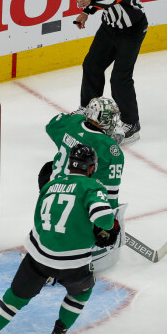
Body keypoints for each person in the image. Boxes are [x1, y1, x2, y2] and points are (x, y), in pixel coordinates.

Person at [0, 144, 119, 334]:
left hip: (39, 255)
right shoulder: (92, 187)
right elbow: (104, 220)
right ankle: (59, 333)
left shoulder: (52, 185)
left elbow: (40, 217)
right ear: (90, 168)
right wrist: (109, 227)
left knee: (14, 298)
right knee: (81, 292)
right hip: (72, 262)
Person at [74, 0, 147, 144]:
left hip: (132, 31)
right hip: (109, 28)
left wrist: (91, 0)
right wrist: (87, 12)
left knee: (120, 78)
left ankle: (131, 124)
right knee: (91, 66)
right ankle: (88, 110)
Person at [38, 97, 125, 271]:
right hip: (76, 199)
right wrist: (109, 222)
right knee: (92, 194)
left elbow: (51, 126)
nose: (114, 122)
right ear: (102, 118)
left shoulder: (74, 121)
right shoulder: (109, 148)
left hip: (50, 189)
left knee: (50, 168)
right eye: (111, 117)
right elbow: (110, 194)